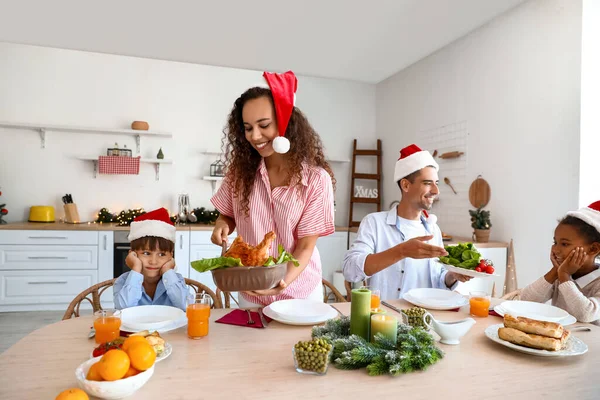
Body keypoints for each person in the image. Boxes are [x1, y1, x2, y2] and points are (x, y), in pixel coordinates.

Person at [210, 70, 335, 308]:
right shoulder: (239, 174)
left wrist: (281, 282)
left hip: (300, 293)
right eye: (247, 128)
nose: (255, 136)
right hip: (251, 290)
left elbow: (306, 246)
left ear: (285, 122)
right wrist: (222, 225)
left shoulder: (317, 180)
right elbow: (227, 214)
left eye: (264, 125)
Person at [343, 144, 471, 300]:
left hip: (423, 319)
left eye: (436, 183)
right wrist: (401, 251)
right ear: (405, 185)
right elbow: (350, 270)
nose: (436, 191)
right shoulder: (374, 223)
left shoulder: (433, 230)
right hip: (385, 319)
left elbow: (437, 281)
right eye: (427, 183)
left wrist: (452, 276)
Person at [520, 201, 600, 324]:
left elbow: (586, 314)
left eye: (564, 244)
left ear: (593, 249)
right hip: (558, 339)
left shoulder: (592, 282)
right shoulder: (561, 273)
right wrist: (554, 272)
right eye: (555, 242)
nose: (556, 249)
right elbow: (525, 301)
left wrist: (564, 276)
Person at [114, 208, 188, 310]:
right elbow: (124, 307)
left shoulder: (176, 280)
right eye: (146, 253)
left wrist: (167, 271)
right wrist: (136, 268)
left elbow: (187, 307)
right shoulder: (123, 281)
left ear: (171, 256)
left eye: (161, 254)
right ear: (133, 255)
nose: (153, 261)